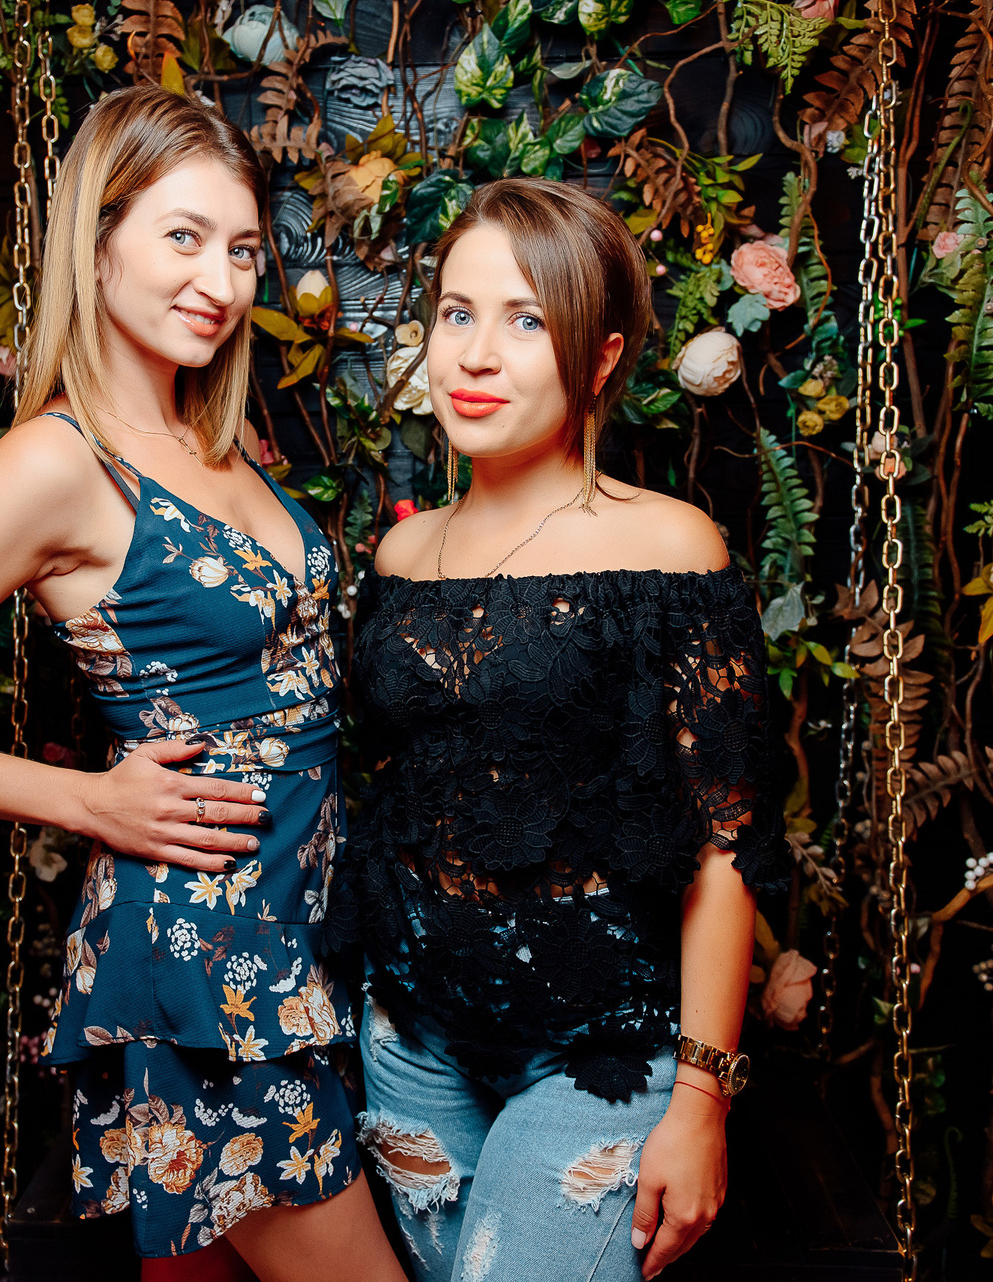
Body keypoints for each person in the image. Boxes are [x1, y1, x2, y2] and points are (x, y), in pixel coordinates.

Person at [0, 85, 404, 1282]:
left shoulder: (216, 441)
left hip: (302, 934)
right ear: (100, 238)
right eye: (182, 236)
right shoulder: (54, 464)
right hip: (208, 956)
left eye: (242, 250)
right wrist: (83, 799)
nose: (220, 281)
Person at [335, 178, 786, 1282]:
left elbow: (726, 844)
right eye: (457, 312)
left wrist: (702, 1099)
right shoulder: (403, 554)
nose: (476, 355)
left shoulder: (671, 548)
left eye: (526, 321)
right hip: (411, 1045)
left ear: (599, 358)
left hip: (602, 1055)